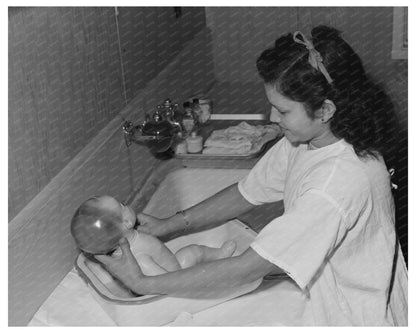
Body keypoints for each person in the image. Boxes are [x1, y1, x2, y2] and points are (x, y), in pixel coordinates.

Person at [95, 26, 407, 325]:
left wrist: (143, 281)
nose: (272, 118)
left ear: (325, 110)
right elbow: (247, 192)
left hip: (357, 316)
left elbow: (248, 268)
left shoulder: (334, 185)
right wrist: (168, 225)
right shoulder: (312, 140)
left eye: (283, 111)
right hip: (337, 296)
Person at [71, 195, 237, 276]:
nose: (126, 204)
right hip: (174, 274)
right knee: (194, 252)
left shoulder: (131, 237)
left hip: (171, 267)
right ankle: (219, 257)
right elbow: (162, 283)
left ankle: (219, 255)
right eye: (122, 205)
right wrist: (190, 280)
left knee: (193, 251)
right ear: (127, 223)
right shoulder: (139, 260)